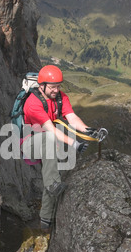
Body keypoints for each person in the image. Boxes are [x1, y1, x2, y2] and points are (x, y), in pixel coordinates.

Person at [21, 64, 95, 231]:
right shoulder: (33, 103)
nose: (56, 90)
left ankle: (46, 221)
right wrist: (75, 143)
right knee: (52, 178)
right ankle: (53, 186)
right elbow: (51, 130)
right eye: (52, 87)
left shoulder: (61, 98)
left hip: (48, 144)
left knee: (52, 174)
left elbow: (72, 118)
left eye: (58, 86)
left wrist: (90, 131)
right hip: (30, 144)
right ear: (42, 86)